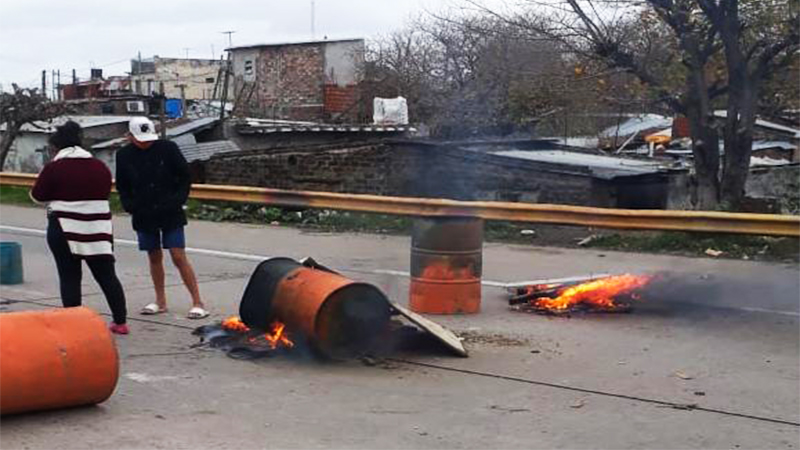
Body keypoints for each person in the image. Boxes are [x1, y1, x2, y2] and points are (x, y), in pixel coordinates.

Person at [31, 121, 129, 334]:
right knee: (106, 275)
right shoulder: (99, 167)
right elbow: (105, 193)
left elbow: (37, 196)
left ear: (56, 147)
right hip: (97, 228)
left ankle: (73, 323)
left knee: (69, 276)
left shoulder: (54, 168)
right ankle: (120, 322)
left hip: (63, 228)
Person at [115, 117, 208, 319]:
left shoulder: (168, 148)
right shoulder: (123, 155)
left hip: (170, 210)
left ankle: (198, 301)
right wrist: (130, 205)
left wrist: (177, 200)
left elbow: (184, 176)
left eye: (148, 138)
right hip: (143, 212)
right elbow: (122, 185)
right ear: (130, 137)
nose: (145, 142)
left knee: (177, 255)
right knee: (154, 256)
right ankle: (160, 300)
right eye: (140, 139)